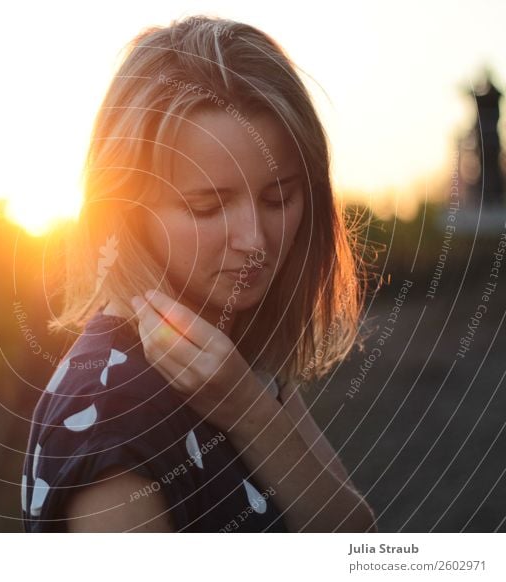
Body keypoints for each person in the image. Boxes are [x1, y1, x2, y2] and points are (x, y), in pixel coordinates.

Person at [21, 15, 377, 532]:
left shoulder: (231, 356)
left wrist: (244, 406)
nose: (255, 242)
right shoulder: (112, 420)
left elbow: (353, 535)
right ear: (126, 208)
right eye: (207, 207)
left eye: (279, 197)